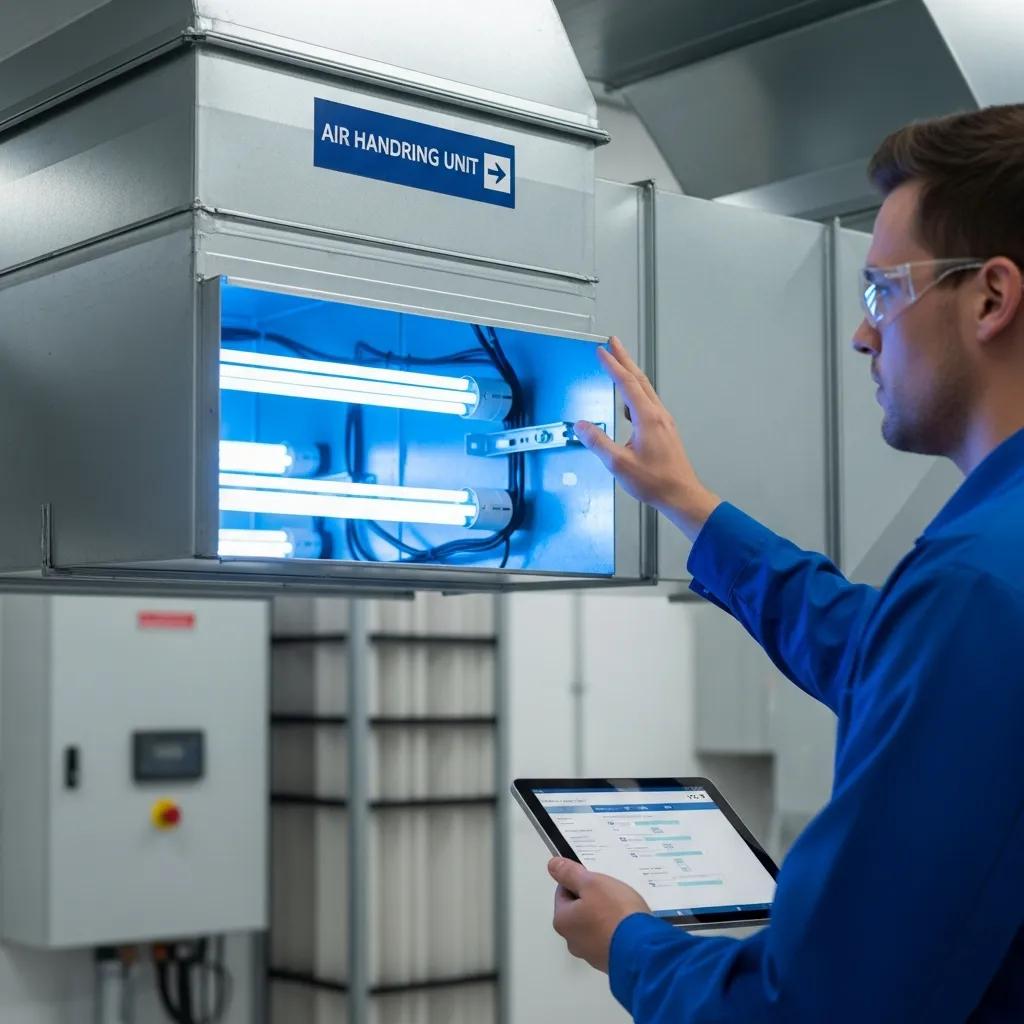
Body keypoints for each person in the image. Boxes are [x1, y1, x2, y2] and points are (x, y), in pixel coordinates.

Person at [546, 105, 1024, 1022]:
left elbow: (808, 1008)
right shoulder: (985, 583)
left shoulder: (974, 587)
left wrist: (633, 946)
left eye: (884, 290)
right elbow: (884, 655)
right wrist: (691, 506)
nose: (862, 334)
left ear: (991, 299)